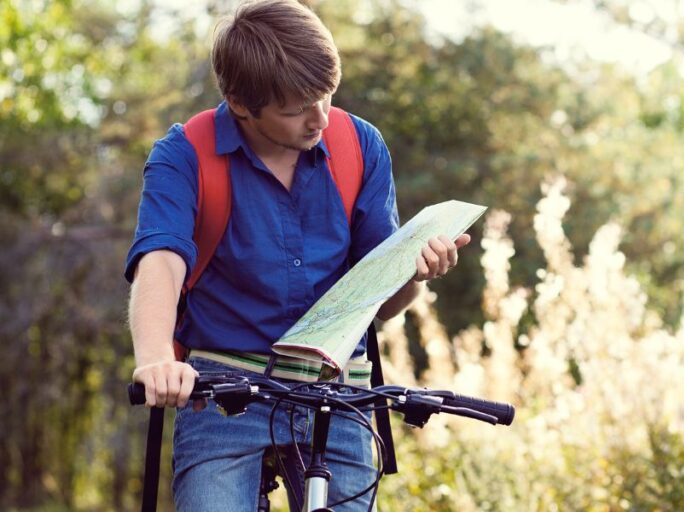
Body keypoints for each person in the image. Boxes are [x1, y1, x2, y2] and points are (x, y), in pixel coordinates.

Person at [124, 1, 467, 509]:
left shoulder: (360, 145)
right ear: (241, 103)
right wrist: (154, 359)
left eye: (326, 96)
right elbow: (161, 258)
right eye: (296, 107)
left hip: (336, 394)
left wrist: (416, 275)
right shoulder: (185, 154)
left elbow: (379, 303)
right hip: (227, 400)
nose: (320, 118)